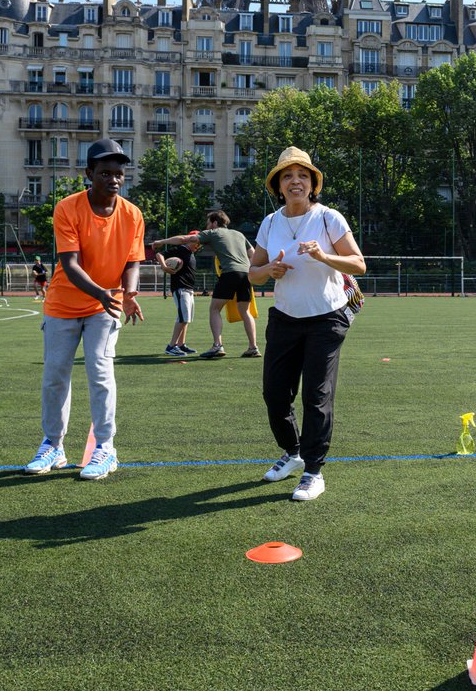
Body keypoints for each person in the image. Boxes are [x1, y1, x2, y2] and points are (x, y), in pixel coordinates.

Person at [24, 138, 145, 481]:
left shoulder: (133, 214)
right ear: (89, 174)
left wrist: (129, 293)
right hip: (63, 304)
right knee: (55, 376)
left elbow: (133, 261)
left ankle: (105, 448)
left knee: (100, 373)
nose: (114, 179)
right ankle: (53, 445)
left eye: (119, 173)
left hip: (104, 307)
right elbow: (70, 263)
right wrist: (103, 293)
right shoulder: (67, 208)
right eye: (105, 173)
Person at [249, 147, 366, 501]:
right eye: (287, 176)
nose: (295, 181)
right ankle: (294, 451)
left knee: (317, 396)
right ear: (278, 186)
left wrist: (323, 255)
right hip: (284, 318)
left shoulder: (329, 218)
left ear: (313, 184)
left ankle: (313, 471)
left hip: (326, 319)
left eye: (303, 175)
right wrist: (269, 270)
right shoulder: (270, 223)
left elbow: (358, 264)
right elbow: (252, 274)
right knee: (274, 394)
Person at [154, 211, 259, 359]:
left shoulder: (213, 233)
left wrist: (162, 242)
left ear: (215, 223)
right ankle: (253, 347)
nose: (207, 226)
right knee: (245, 311)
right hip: (246, 274)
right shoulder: (239, 234)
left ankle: (217, 346)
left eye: (208, 223)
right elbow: (253, 254)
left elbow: (184, 239)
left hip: (229, 273)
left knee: (214, 309)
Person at [155, 232, 200, 356]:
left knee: (186, 318)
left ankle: (181, 344)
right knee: (183, 317)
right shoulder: (181, 249)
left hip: (188, 289)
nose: (198, 245)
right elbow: (159, 254)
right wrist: (164, 266)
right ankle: (171, 346)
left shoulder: (190, 253)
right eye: (197, 242)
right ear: (189, 240)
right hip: (181, 288)